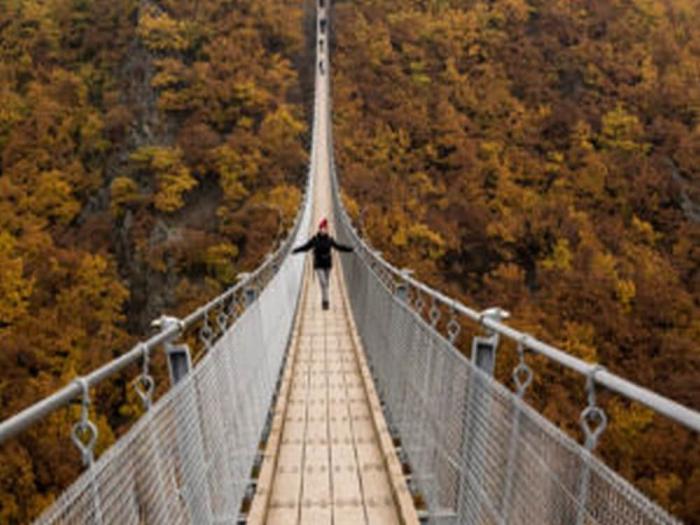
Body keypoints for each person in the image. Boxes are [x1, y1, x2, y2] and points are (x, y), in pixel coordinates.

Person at [293, 218, 353, 310]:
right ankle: (326, 302)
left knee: (326, 283)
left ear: (327, 229)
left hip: (327, 264)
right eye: (321, 228)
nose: (323, 230)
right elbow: (306, 247)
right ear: (319, 229)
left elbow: (339, 247)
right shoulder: (315, 239)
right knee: (323, 282)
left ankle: (324, 300)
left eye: (324, 228)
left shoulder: (329, 239)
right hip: (318, 264)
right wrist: (296, 250)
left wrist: (350, 249)